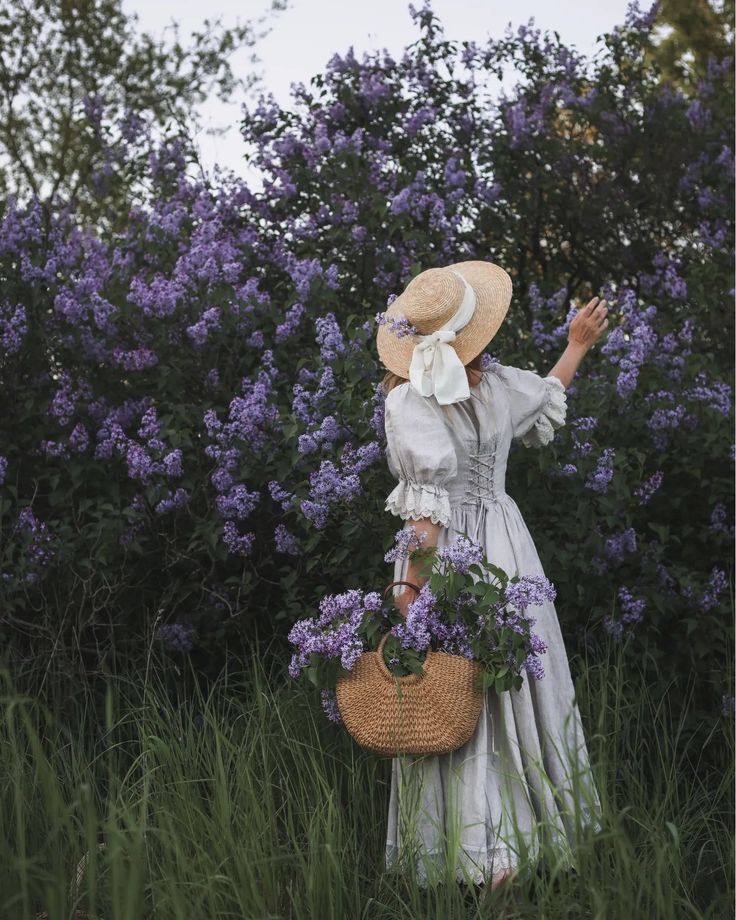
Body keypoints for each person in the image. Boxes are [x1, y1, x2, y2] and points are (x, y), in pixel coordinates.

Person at [375, 260, 608, 893]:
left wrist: (411, 597)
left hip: (450, 556)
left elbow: (423, 518)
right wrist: (575, 346)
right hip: (507, 549)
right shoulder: (499, 385)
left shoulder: (408, 398)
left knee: (453, 689)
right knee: (512, 689)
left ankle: (477, 853)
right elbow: (547, 398)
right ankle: (526, 837)